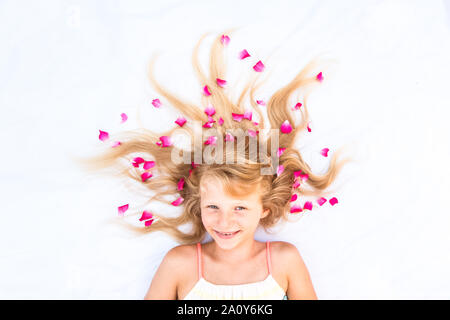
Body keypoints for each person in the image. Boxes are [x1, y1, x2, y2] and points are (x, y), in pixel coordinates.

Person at [75, 29, 351, 300]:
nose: (224, 221)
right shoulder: (179, 264)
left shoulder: (283, 261)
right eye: (213, 207)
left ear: (264, 210)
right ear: (199, 205)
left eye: (240, 207)